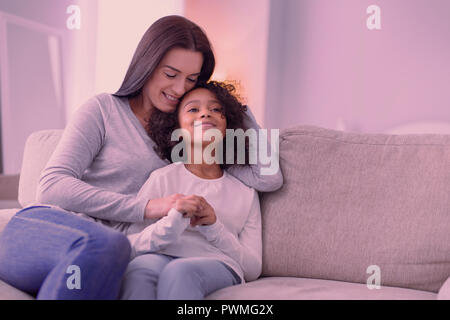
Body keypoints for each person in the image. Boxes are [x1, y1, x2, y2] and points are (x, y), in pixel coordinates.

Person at [0, 15, 282, 300]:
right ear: (147, 65)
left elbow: (269, 177)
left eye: (192, 79)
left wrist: (242, 110)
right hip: (51, 230)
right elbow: (51, 186)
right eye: (170, 75)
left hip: (112, 254)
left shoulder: (184, 135)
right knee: (111, 247)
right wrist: (146, 207)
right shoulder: (103, 109)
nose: (179, 88)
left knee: (117, 256)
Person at [120, 81, 262, 300]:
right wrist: (172, 223)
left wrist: (213, 227)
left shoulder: (245, 193)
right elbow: (131, 245)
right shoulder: (162, 179)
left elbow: (253, 268)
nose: (205, 114)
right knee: (139, 269)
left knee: (180, 272)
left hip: (220, 264)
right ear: (177, 128)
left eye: (216, 109)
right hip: (161, 255)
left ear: (228, 127)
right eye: (193, 109)